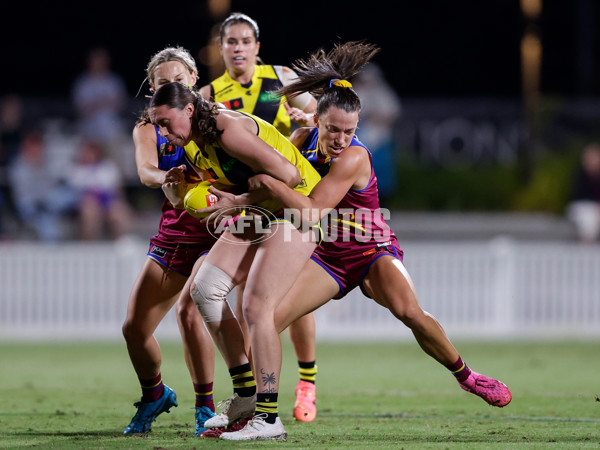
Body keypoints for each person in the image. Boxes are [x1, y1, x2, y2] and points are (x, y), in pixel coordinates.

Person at [199, 41, 512, 441]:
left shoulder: (354, 158)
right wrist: (242, 198)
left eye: (349, 131)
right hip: (329, 254)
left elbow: (310, 209)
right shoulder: (301, 137)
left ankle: (466, 376)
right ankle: (256, 411)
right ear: (318, 121)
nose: (341, 138)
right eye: (333, 129)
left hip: (369, 249)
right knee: (263, 321)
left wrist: (270, 184)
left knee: (409, 311)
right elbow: (275, 190)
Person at [147, 81, 322, 441]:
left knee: (257, 308)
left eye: (165, 122)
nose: (162, 132)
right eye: (157, 125)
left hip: (296, 210)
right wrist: (178, 193)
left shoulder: (227, 130)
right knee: (205, 289)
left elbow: (288, 176)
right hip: (260, 211)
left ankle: (270, 418)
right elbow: (208, 196)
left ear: (189, 111)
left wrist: (237, 202)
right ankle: (246, 396)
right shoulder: (193, 143)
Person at [199, 11, 320, 423]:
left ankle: (306, 383)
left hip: (292, 189)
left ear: (256, 46)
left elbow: (321, 114)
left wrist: (307, 125)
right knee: (242, 296)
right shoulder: (208, 95)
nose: (237, 47)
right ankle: (253, 396)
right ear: (221, 49)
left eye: (244, 40)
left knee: (288, 299)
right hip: (252, 200)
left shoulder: (282, 77)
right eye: (230, 41)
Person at [122, 47, 219, 436]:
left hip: (218, 229)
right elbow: (145, 169)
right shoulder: (150, 126)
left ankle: (206, 408)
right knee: (134, 328)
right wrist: (164, 176)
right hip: (175, 232)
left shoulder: (217, 117)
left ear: (194, 80)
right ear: (152, 87)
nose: (173, 86)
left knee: (190, 310)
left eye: (179, 79)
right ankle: (154, 394)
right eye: (164, 82)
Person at [351, 62, 401, 205]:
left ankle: (382, 205)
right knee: (360, 175)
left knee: (381, 176)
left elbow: (392, 113)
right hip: (360, 141)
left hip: (380, 140)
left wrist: (377, 117)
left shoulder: (383, 93)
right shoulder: (354, 92)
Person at [70, 138, 133, 240]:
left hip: (107, 200)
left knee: (119, 211)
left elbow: (117, 190)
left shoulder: (108, 167)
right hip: (87, 202)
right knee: (90, 211)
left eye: (91, 152)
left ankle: (122, 244)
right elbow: (75, 192)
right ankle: (90, 246)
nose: (88, 155)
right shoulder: (76, 169)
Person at [566, 142, 600, 243]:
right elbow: (579, 196)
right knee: (588, 220)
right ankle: (588, 247)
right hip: (582, 207)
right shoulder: (579, 175)